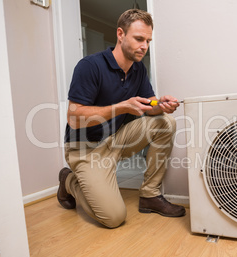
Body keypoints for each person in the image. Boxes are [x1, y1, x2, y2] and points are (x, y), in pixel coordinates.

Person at [57, 9, 185, 228]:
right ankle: (68, 180)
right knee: (114, 218)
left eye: (147, 40)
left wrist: (160, 104)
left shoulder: (139, 70)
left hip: (115, 140)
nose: (144, 46)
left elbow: (150, 106)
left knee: (165, 123)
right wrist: (121, 107)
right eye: (138, 39)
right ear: (120, 34)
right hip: (84, 148)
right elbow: (74, 118)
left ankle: (149, 195)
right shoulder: (90, 66)